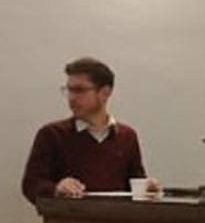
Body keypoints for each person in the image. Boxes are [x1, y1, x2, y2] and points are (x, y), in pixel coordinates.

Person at [22, 56, 154, 204]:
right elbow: (31, 184)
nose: (71, 98)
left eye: (79, 90)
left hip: (116, 218)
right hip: (68, 218)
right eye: (69, 90)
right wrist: (56, 189)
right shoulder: (52, 134)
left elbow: (135, 184)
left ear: (104, 93)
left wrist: (148, 189)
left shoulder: (127, 137)